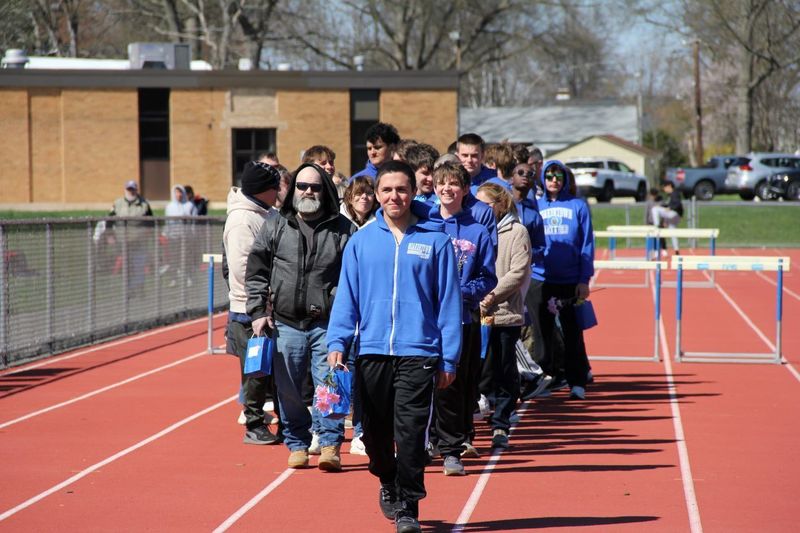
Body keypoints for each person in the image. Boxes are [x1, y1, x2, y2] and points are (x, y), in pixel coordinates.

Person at [326, 161, 462, 533]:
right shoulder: (361, 241)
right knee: (373, 433)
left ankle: (408, 507)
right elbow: (347, 299)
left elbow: (448, 302)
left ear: (412, 192)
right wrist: (337, 340)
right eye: (386, 190)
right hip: (370, 351)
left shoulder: (435, 240)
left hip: (419, 352)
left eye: (401, 189)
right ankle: (387, 479)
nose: (393, 197)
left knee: (411, 432)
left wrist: (448, 356)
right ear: (376, 194)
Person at [246, 163, 356, 471]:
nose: (308, 191)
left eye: (316, 187)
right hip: (285, 323)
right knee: (289, 389)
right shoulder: (275, 225)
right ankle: (297, 442)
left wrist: (344, 312)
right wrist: (257, 311)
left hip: (328, 324)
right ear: (293, 189)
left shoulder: (344, 230)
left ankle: (331, 443)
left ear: (326, 191)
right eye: (302, 186)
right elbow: (256, 271)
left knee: (329, 385)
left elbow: (354, 276)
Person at [428, 161, 496, 475]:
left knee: (454, 385)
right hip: (424, 321)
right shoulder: (423, 226)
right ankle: (425, 441)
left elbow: (487, 278)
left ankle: (452, 449)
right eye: (441, 182)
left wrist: (460, 291)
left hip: (461, 320)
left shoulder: (477, 230)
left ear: (465, 189)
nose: (447, 189)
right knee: (421, 385)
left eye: (454, 183)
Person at [223, 161, 282, 446]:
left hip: (264, 306)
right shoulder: (242, 221)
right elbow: (244, 268)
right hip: (250, 311)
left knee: (268, 371)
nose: (280, 192)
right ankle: (254, 423)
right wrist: (260, 305)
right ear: (262, 191)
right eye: (275, 187)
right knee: (256, 372)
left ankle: (269, 421)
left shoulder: (263, 213)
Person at [476, 183, 531, 448]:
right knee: (481, 370)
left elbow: (517, 273)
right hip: (477, 313)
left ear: (500, 204)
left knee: (503, 367)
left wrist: (491, 296)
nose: (480, 210)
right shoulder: (475, 231)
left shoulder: (517, 231)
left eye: (485, 205)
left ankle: (501, 421)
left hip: (504, 312)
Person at [536, 161, 594, 400]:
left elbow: (586, 244)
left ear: (565, 179)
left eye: (558, 176)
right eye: (549, 176)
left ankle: (577, 380)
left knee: (572, 332)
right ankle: (547, 378)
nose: (553, 180)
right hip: (542, 278)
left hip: (570, 280)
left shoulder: (578, 206)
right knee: (544, 334)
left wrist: (584, 279)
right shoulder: (535, 205)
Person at [508, 162, 550, 397]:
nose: (525, 177)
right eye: (520, 173)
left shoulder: (534, 214)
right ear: (511, 178)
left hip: (525, 278)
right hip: (502, 274)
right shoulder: (502, 205)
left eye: (530, 174)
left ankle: (528, 375)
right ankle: (528, 374)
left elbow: (541, 246)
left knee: (522, 326)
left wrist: (527, 257)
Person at [107, 180, 153, 295]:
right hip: (123, 241)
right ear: (125, 190)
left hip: (139, 241)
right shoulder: (118, 203)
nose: (131, 191)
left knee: (139, 266)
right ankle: (129, 290)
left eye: (133, 189)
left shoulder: (144, 204)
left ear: (137, 190)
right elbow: (109, 221)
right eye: (129, 189)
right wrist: (110, 235)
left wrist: (148, 233)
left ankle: (140, 288)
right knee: (127, 267)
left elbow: (151, 222)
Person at [161, 184, 198, 287]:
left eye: (180, 192)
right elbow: (167, 222)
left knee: (187, 258)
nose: (179, 194)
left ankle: (189, 278)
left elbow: (195, 221)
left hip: (186, 238)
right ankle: (174, 279)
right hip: (173, 238)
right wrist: (165, 234)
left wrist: (193, 235)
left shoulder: (189, 205)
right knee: (174, 259)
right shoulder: (169, 206)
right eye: (177, 192)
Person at [651, 180, 683, 255]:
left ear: (669, 186)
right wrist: (663, 207)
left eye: (665, 188)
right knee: (672, 231)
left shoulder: (675, 193)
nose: (664, 190)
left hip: (673, 213)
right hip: (674, 216)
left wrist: (670, 208)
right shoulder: (671, 195)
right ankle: (676, 250)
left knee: (654, 209)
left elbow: (678, 203)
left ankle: (657, 225)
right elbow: (668, 204)